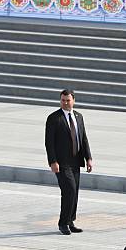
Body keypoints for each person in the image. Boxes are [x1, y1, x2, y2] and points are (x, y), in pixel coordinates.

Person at [45, 89, 93, 235]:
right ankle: (63, 223)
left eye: (68, 100)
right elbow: (49, 142)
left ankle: (70, 220)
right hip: (61, 163)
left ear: (73, 101)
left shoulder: (79, 116)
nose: (65, 103)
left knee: (75, 191)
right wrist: (53, 161)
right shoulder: (54, 118)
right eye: (63, 100)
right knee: (69, 190)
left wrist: (88, 158)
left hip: (76, 161)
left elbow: (83, 138)